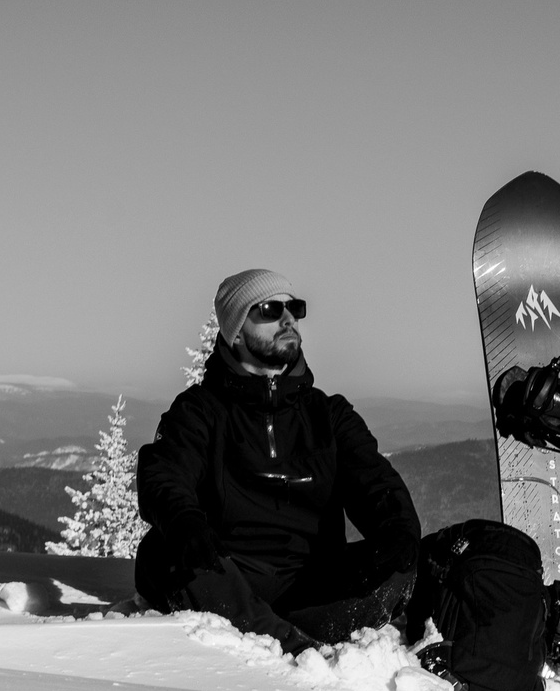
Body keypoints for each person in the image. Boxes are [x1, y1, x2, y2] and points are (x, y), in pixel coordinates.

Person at [133, 268, 420, 652]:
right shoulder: (200, 411)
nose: (288, 319)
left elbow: (377, 485)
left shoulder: (329, 416)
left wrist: (398, 531)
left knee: (405, 558)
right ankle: (290, 641)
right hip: (227, 575)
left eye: (294, 308)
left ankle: (280, 631)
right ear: (235, 331)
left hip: (314, 582)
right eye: (269, 309)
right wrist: (184, 521)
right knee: (164, 551)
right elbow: (163, 475)